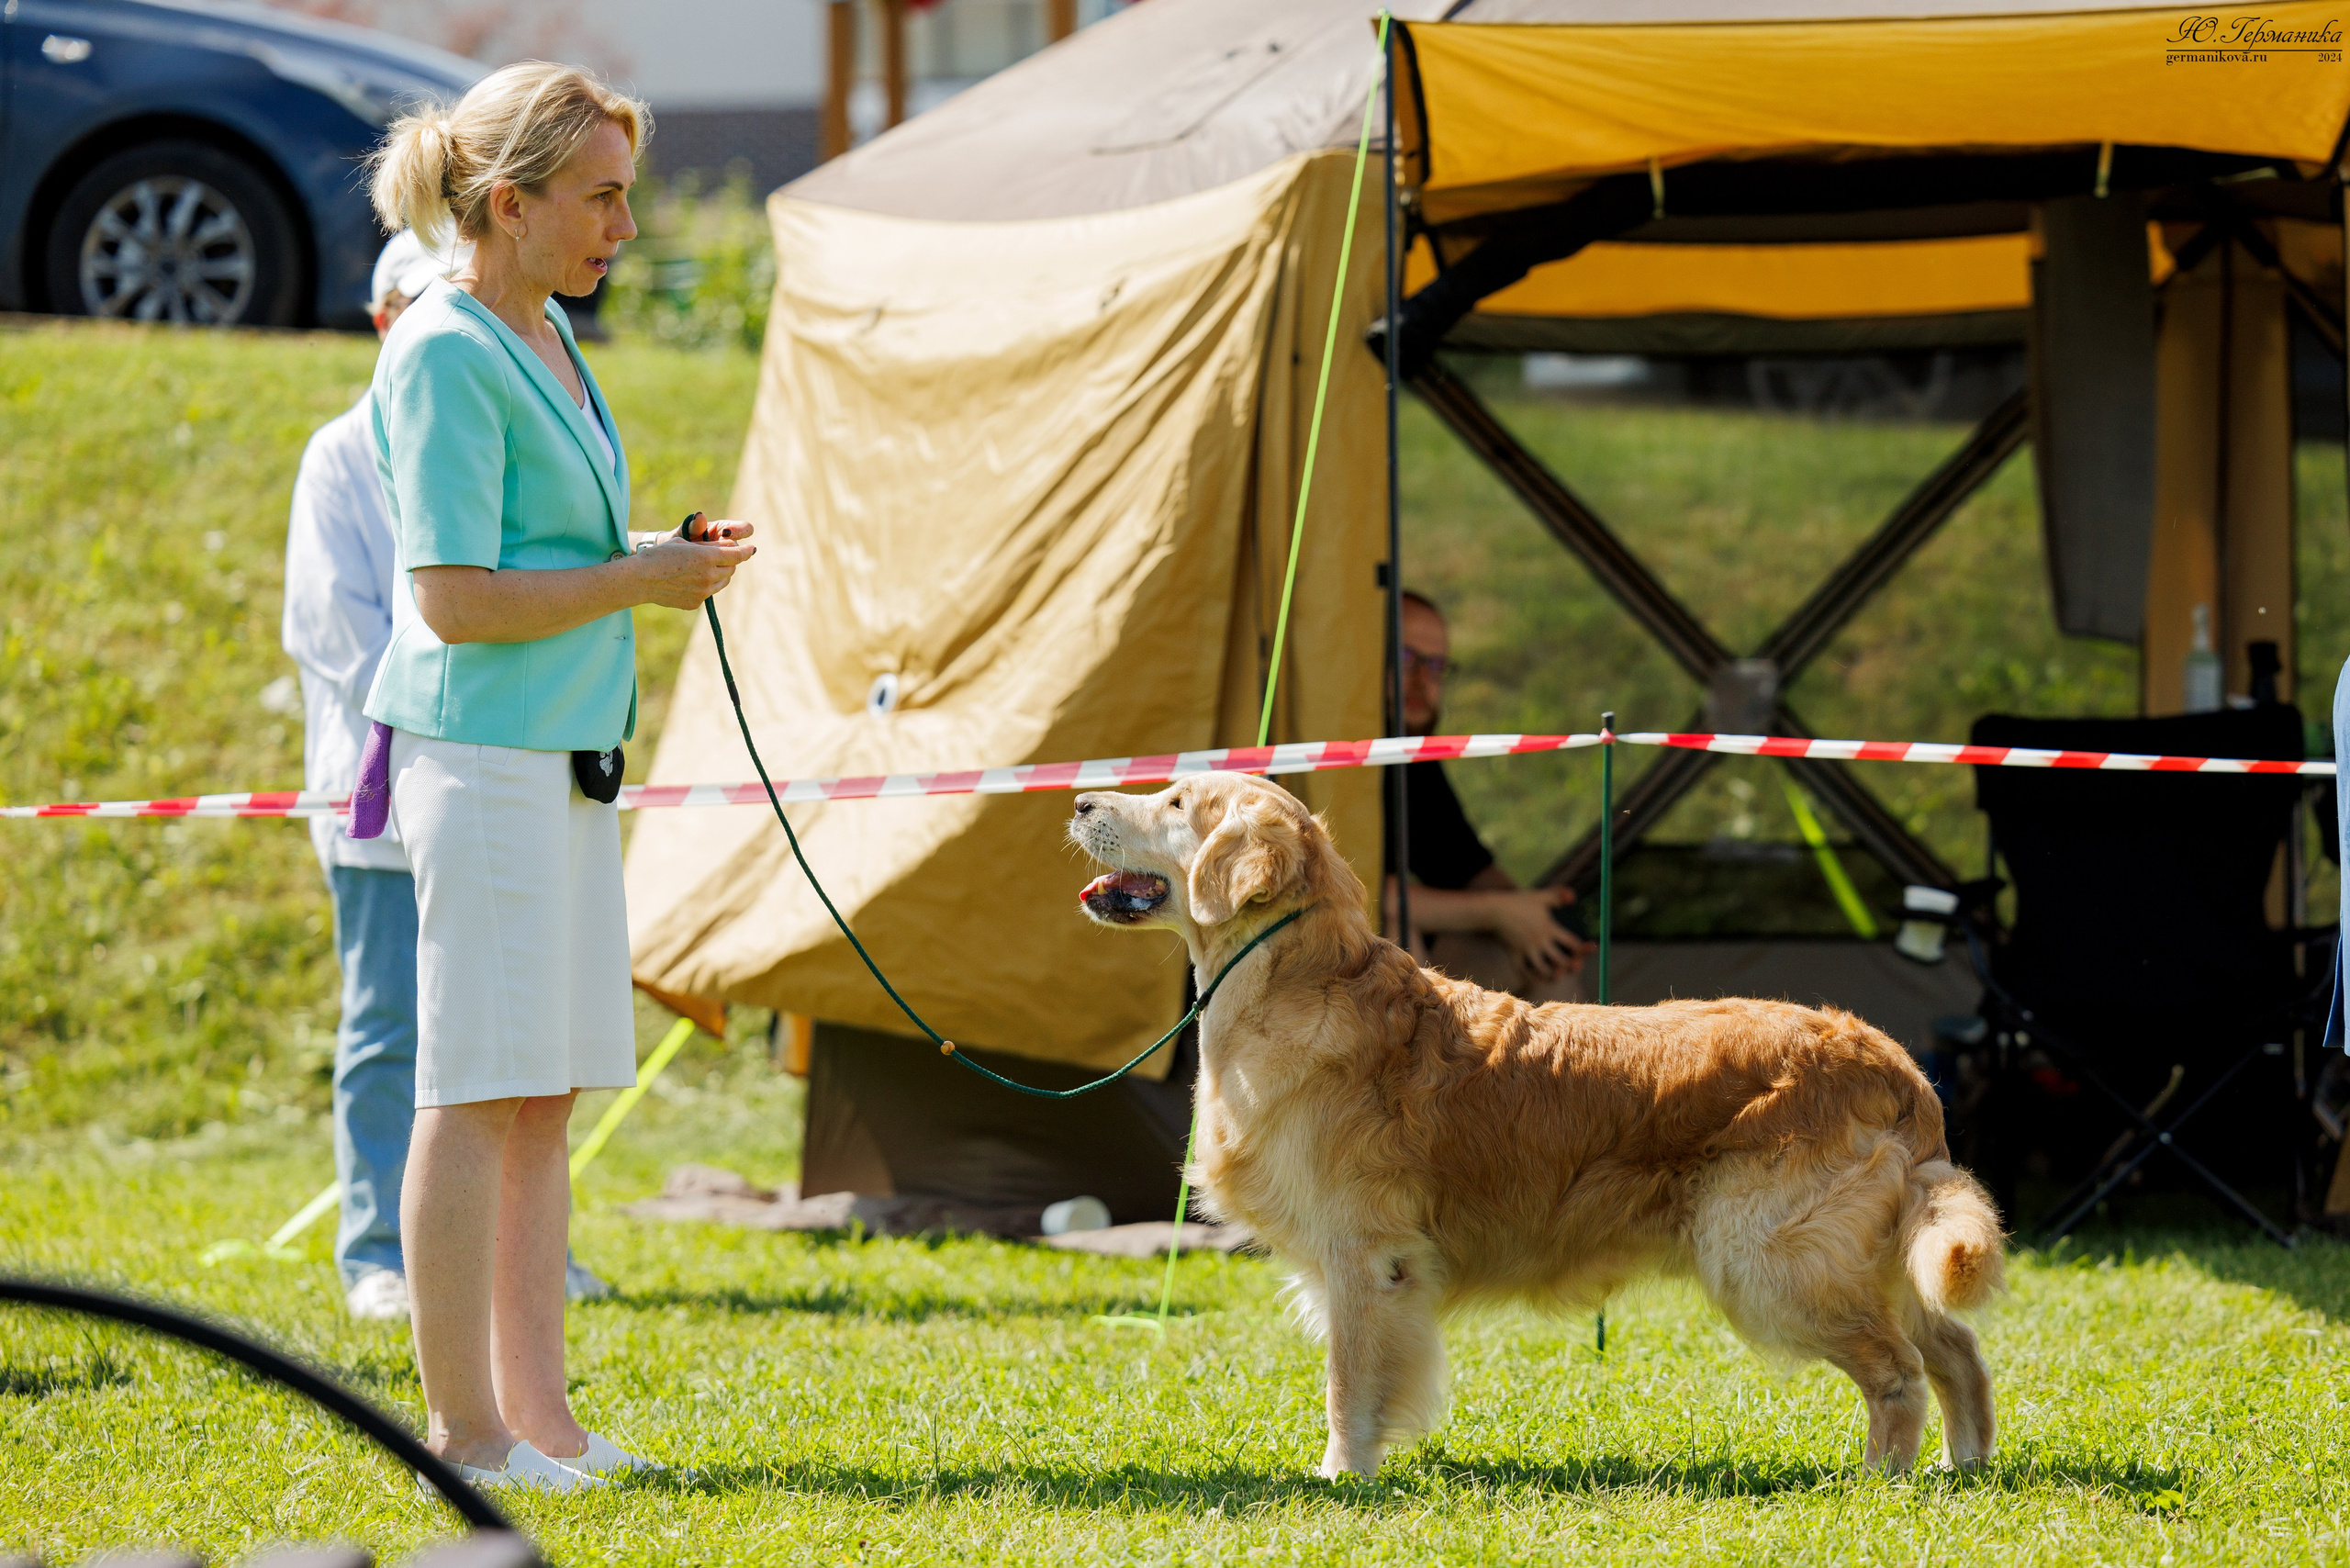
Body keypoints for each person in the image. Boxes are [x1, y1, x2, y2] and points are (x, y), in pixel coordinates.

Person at [364, 61, 754, 1491]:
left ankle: (547, 1426)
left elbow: (542, 553)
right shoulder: (447, 348)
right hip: (485, 763)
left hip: (566, 768)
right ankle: (464, 1436)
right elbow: (457, 599)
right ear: (510, 204)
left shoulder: (540, 336)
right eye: (599, 198)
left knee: (541, 1099)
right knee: (474, 1093)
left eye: (627, 196)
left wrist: (662, 560)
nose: (625, 229)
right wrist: (633, 582)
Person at [282, 229, 613, 1323]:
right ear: (385, 319)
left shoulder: (522, 362)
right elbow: (353, 630)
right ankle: (377, 1249)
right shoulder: (346, 448)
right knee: (398, 1032)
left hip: (529, 749)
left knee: (517, 1060)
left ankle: (519, 1285)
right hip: (404, 774)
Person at [1384, 591, 1593, 999]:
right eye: (1406, 659)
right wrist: (1499, 912)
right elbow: (1365, 890)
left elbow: (1466, 867)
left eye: (1437, 666)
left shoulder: (1414, 755)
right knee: (1395, 936)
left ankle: (1595, 1063)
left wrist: (1536, 919)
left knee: (1539, 962)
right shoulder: (1339, 750)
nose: (1422, 680)